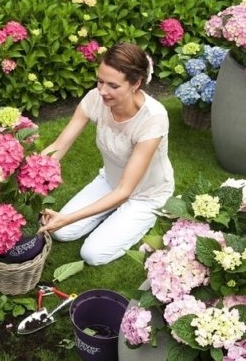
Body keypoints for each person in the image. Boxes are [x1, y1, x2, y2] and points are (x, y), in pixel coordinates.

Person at [38, 42, 174, 266]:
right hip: (110, 181)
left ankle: (138, 217)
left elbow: (125, 191)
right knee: (61, 232)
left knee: (92, 254)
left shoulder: (153, 118)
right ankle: (110, 212)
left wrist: (68, 217)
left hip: (144, 195)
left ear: (136, 83)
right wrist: (30, 173)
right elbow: (60, 145)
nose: (102, 91)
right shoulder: (95, 99)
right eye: (100, 81)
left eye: (112, 85)